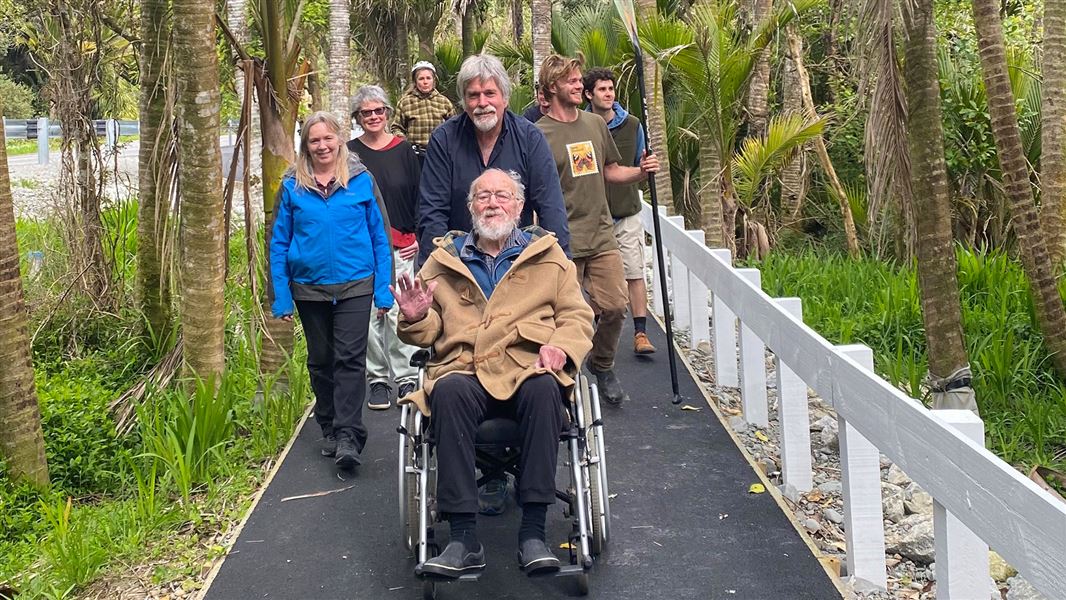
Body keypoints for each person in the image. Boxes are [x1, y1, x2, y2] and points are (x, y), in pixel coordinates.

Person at [393, 168, 594, 578]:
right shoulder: (442, 261)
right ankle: (463, 538)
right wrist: (414, 317)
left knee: (545, 390)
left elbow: (577, 315)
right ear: (470, 208)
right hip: (465, 367)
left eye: (502, 196)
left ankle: (534, 533)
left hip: (527, 364)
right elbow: (429, 327)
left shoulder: (550, 258)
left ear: (520, 207)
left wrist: (561, 346)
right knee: (445, 391)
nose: (492, 203)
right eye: (482, 196)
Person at [270, 111, 394, 469]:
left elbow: (380, 238)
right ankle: (328, 423)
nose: (322, 146)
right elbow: (278, 243)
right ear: (305, 146)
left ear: (339, 140)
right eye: (314, 140)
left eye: (328, 138)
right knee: (321, 360)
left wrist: (383, 291)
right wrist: (280, 295)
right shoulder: (293, 185)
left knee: (349, 359)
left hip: (356, 284)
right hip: (309, 288)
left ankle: (349, 436)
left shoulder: (360, 181)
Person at [535, 54, 659, 406]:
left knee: (616, 306)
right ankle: (563, 378)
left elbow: (611, 170)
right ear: (553, 87)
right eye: (572, 81)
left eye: (579, 80)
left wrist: (640, 172)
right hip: (561, 241)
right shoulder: (537, 134)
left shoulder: (594, 125)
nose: (579, 86)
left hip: (602, 233)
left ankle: (602, 364)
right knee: (567, 316)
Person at [417, 53, 571, 266]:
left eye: (490, 93)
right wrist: (435, 271)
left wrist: (560, 265)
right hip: (459, 264)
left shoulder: (530, 138)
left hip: (518, 262)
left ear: (505, 98)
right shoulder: (444, 140)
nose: (482, 103)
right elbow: (432, 212)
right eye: (473, 95)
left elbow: (550, 207)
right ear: (463, 101)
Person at [348, 85, 422, 410]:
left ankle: (405, 375)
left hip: (402, 244)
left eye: (379, 111)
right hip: (361, 246)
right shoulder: (348, 154)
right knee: (367, 314)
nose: (374, 117)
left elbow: (420, 194)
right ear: (358, 117)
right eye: (367, 112)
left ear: (388, 114)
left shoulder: (404, 150)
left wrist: (419, 234)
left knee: (396, 310)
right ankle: (377, 379)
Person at [583, 67, 656, 355]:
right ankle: (597, 328)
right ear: (589, 94)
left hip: (626, 211)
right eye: (602, 89)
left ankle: (641, 333)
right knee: (593, 278)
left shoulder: (633, 125)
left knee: (634, 271)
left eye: (611, 89)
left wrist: (647, 167)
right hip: (594, 215)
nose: (609, 94)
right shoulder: (582, 125)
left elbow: (641, 162)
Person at [393, 61, 455, 153]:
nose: (425, 82)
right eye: (421, 79)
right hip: (415, 155)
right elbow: (396, 127)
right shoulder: (405, 102)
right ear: (415, 81)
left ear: (434, 80)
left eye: (428, 78)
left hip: (439, 153)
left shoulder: (444, 102)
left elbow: (454, 128)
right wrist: (404, 142)